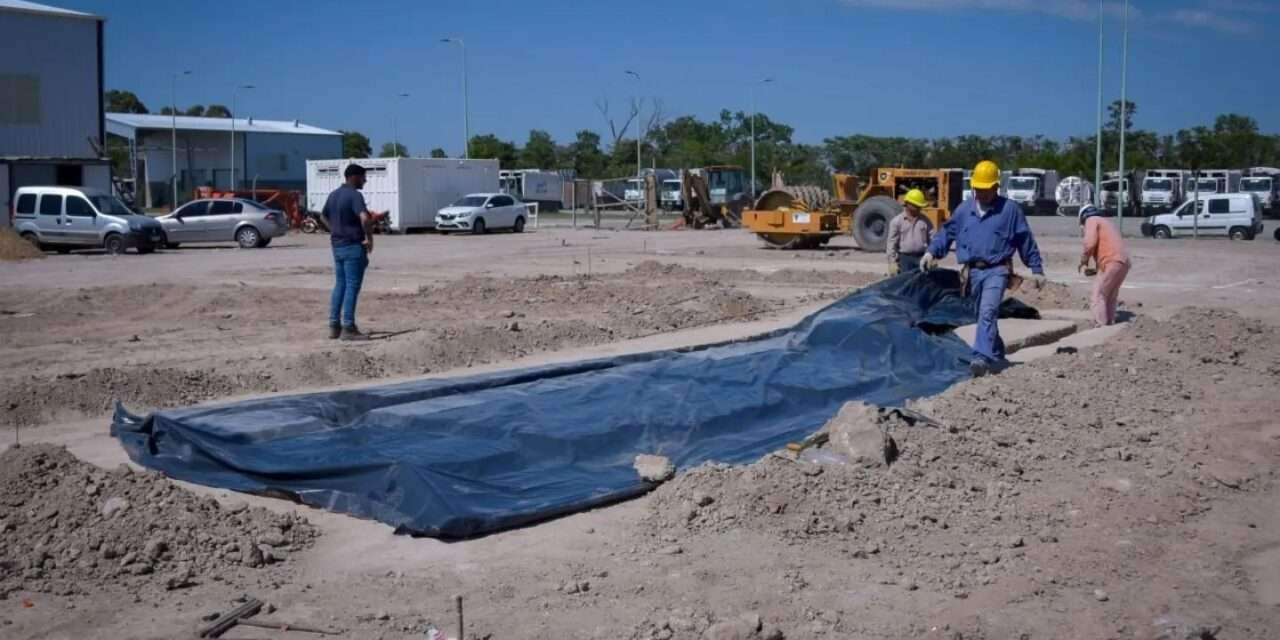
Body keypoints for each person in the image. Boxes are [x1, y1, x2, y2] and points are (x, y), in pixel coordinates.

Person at [921, 160, 1046, 377]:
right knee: (983, 315)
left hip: (997, 270)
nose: (981, 193)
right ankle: (997, 353)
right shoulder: (964, 210)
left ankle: (980, 357)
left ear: (996, 187)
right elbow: (947, 232)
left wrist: (1036, 268)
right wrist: (931, 252)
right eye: (978, 188)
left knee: (988, 312)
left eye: (985, 189)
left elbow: (1025, 240)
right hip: (973, 273)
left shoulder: (1010, 211)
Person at [323, 163, 379, 341]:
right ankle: (348, 327)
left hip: (337, 246)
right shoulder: (355, 196)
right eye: (363, 177)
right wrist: (369, 239)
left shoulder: (333, 195)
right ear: (353, 176)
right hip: (353, 246)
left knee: (340, 284)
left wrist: (334, 230)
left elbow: (322, 216)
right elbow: (364, 218)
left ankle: (334, 326)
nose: (365, 180)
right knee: (352, 287)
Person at [1078, 204, 1130, 327]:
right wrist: (1097, 269)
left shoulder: (1091, 220)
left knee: (1099, 294)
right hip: (1122, 262)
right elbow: (1108, 246)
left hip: (1111, 261)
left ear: (1083, 217)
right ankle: (1110, 322)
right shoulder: (1107, 223)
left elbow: (1090, 243)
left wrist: (1083, 260)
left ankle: (1101, 325)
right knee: (1110, 295)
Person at [886, 188, 933, 274]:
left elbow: (932, 239)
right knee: (906, 284)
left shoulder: (925, 221)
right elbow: (891, 243)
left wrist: (933, 255)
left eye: (920, 206)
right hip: (905, 259)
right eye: (917, 206)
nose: (919, 208)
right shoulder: (897, 221)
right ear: (908, 204)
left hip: (922, 257)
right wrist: (892, 262)